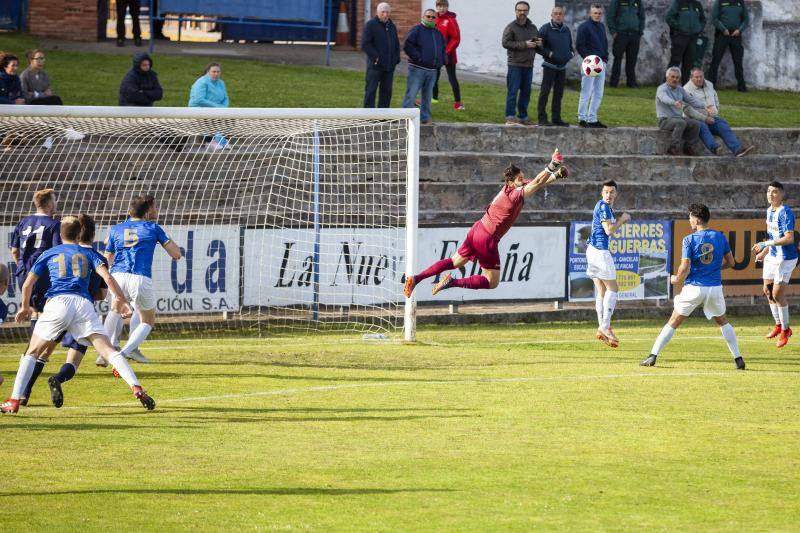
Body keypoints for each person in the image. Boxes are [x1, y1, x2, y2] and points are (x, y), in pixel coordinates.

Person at [1, 215, 156, 415]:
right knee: (109, 351)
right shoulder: (92, 255)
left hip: (57, 303)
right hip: (83, 304)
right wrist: (123, 301)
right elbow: (107, 278)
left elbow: (28, 283)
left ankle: (14, 400)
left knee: (32, 352)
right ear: (79, 233)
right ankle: (136, 387)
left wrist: (24, 307)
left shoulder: (50, 253)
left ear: (60, 233)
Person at [404, 150, 568, 298]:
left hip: (478, 228)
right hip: (487, 237)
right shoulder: (514, 196)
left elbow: (536, 183)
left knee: (455, 262)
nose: (523, 180)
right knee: (491, 282)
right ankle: (452, 283)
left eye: (522, 177)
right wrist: (553, 164)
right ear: (511, 182)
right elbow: (538, 182)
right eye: (520, 178)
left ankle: (416, 278)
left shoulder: (508, 188)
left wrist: (556, 176)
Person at [15, 215, 111, 408]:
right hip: (82, 313)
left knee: (41, 354)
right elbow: (101, 294)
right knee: (74, 361)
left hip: (57, 308)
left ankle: (24, 393)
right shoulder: (96, 257)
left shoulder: (59, 253)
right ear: (92, 234)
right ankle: (58, 378)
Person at [641, 203, 746, 370]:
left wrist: (676, 279)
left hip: (695, 287)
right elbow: (732, 263)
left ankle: (652, 356)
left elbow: (684, 267)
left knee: (674, 321)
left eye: (690, 217)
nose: (689, 220)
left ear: (697, 219)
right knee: (723, 322)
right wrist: (713, 268)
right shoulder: (720, 237)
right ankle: (738, 359)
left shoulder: (689, 239)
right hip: (714, 288)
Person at [97, 195, 182, 367]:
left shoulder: (116, 229)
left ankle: (104, 353)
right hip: (139, 277)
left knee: (114, 311)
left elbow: (107, 257)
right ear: (147, 211)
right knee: (147, 320)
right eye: (155, 207)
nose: (156, 210)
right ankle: (125, 352)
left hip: (117, 276)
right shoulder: (153, 228)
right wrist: (166, 237)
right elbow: (176, 254)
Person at [586, 180, 631, 348]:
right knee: (614, 289)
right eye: (606, 192)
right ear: (601, 193)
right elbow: (609, 230)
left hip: (591, 250)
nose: (609, 195)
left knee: (602, 290)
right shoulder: (604, 207)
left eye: (612, 192)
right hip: (599, 251)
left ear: (616, 194)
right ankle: (605, 326)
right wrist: (623, 219)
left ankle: (601, 328)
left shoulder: (602, 206)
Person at [752, 181, 796, 348]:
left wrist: (765, 245)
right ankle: (778, 325)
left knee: (777, 295)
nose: (771, 194)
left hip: (785, 258)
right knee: (767, 291)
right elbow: (772, 236)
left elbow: (789, 238)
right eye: (769, 191)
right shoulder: (769, 211)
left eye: (775, 192)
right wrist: (764, 252)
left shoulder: (785, 213)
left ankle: (786, 330)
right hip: (772, 255)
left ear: (782, 194)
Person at [682, 68, 754, 157]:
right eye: (696, 77)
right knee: (702, 126)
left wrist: (715, 110)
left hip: (711, 117)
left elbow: (715, 97)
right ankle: (715, 148)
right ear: (691, 78)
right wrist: (705, 117)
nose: (699, 79)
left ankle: (738, 150)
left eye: (701, 77)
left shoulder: (709, 84)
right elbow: (688, 111)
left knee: (722, 124)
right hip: (695, 119)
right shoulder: (685, 89)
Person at [401, 9, 446, 125]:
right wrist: (419, 58)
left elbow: (442, 50)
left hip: (432, 71)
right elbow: (407, 46)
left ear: (436, 19)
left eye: (433, 17)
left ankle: (425, 118)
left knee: (427, 97)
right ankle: (405, 118)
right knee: (411, 95)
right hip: (417, 69)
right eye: (428, 16)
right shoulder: (416, 30)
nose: (430, 19)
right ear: (423, 17)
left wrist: (440, 63)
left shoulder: (438, 34)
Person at [502, 1, 540, 126]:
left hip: (528, 65)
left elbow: (536, 43)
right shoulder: (511, 27)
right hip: (515, 64)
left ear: (528, 11)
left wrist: (539, 43)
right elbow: (505, 43)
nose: (522, 12)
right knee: (513, 91)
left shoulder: (533, 27)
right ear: (516, 11)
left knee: (526, 92)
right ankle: (510, 116)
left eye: (524, 10)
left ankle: (523, 117)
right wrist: (524, 44)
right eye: (519, 10)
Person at [536, 6, 574, 126]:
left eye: (560, 14)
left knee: (559, 94)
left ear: (563, 16)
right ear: (551, 15)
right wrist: (550, 54)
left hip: (562, 67)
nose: (558, 16)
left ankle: (556, 118)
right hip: (549, 66)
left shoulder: (566, 30)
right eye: (556, 14)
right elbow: (537, 47)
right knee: (545, 92)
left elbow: (570, 47)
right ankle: (542, 118)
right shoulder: (545, 29)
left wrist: (570, 54)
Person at [361, 2, 400, 109]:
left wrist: (396, 59)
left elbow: (396, 44)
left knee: (386, 92)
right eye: (383, 12)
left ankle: (383, 115)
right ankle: (369, 115)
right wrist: (376, 57)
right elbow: (365, 44)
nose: (385, 14)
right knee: (371, 90)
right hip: (375, 66)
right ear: (377, 12)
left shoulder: (392, 26)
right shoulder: (370, 25)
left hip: (389, 66)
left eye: (387, 12)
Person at [656, 66, 703, 156]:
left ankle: (688, 147)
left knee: (695, 123)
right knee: (681, 123)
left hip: (678, 118)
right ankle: (673, 148)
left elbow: (691, 100)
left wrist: (705, 106)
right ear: (667, 77)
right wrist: (674, 102)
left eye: (677, 77)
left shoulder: (680, 90)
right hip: (664, 120)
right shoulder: (661, 89)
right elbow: (663, 98)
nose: (675, 79)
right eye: (672, 77)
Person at [575, 4, 609, 128]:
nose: (597, 15)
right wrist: (589, 60)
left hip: (601, 63)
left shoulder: (601, 27)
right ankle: (582, 118)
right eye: (595, 13)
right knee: (586, 92)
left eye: (599, 13)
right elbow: (579, 45)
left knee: (598, 93)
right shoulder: (584, 27)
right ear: (590, 13)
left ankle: (592, 118)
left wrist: (605, 59)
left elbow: (605, 44)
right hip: (590, 63)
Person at [708, 0, 749, 92]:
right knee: (716, 60)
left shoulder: (740, 2)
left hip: (736, 35)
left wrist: (739, 30)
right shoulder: (720, 2)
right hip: (722, 35)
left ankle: (741, 87)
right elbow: (714, 19)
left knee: (738, 61)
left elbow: (746, 19)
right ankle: (711, 85)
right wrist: (723, 29)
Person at [607, 0, 645, 88]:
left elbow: (642, 16)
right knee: (618, 58)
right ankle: (614, 83)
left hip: (634, 35)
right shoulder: (617, 1)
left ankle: (631, 83)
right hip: (621, 34)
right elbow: (610, 16)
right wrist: (613, 32)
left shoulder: (637, 1)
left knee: (632, 60)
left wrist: (640, 31)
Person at [433, 0, 464, 110]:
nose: (441, 8)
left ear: (447, 7)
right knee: (433, 77)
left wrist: (446, 51)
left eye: (444, 6)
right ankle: (434, 98)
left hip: (448, 55)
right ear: (436, 7)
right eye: (439, 6)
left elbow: (456, 38)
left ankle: (458, 103)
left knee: (452, 78)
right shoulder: (433, 18)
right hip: (436, 54)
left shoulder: (451, 20)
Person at [666, 0, 706, 84]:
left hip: (693, 38)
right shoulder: (678, 3)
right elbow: (669, 17)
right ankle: (667, 85)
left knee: (688, 62)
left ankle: (685, 87)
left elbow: (703, 19)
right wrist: (679, 26)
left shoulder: (697, 4)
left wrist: (699, 28)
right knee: (675, 61)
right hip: (680, 37)